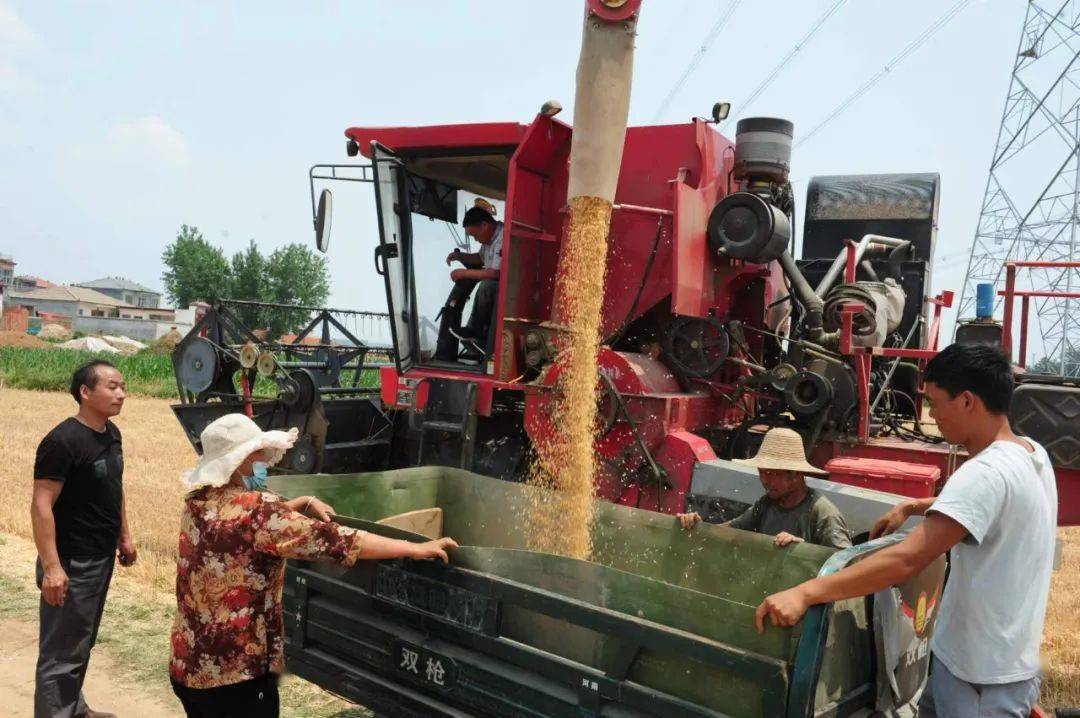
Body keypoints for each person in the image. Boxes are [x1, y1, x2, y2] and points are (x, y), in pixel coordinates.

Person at [755, 344, 1057, 717]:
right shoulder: (1031, 453)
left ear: (966, 401)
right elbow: (986, 506)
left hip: (979, 683)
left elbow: (906, 560)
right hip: (993, 666)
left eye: (934, 402)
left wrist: (806, 592)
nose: (932, 414)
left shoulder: (984, 473)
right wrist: (913, 506)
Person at [169, 413, 458, 718]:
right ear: (239, 461)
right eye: (259, 454)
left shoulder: (197, 505)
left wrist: (301, 502)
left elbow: (245, 527)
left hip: (189, 666)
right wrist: (411, 547)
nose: (266, 461)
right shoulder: (259, 514)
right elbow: (336, 540)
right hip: (235, 674)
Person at [31, 360, 135, 718]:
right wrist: (53, 568)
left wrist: (124, 534)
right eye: (112, 386)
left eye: (122, 386)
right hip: (72, 562)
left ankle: (73, 709)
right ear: (85, 392)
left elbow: (114, 487)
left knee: (80, 643)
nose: (120, 393)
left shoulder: (111, 434)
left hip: (100, 557)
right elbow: (41, 505)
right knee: (61, 652)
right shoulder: (62, 441)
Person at [677, 427, 851, 550]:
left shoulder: (822, 514)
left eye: (772, 473)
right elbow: (730, 531)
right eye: (762, 472)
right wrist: (697, 526)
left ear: (796, 475)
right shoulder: (767, 504)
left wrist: (804, 551)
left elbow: (847, 566)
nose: (764, 480)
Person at [434, 201, 504, 363]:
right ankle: (474, 335)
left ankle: (476, 331)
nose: (476, 240)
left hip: (509, 293)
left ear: (485, 225)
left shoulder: (502, 237)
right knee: (485, 285)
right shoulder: (489, 239)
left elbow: (495, 273)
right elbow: (479, 258)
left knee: (487, 286)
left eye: (475, 235)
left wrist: (463, 273)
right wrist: (460, 257)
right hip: (500, 290)